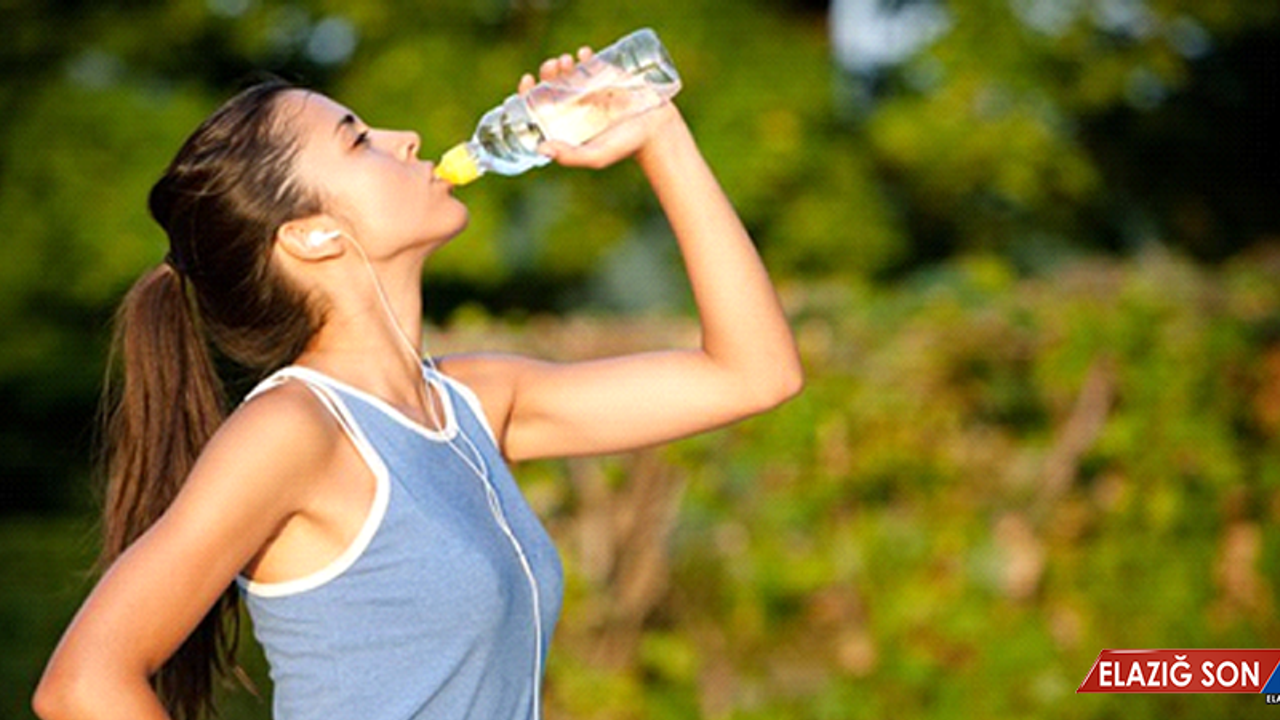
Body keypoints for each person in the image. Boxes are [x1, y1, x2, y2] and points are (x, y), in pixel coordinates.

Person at [33, 45, 802, 720]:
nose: (404, 139)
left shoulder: (473, 404)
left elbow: (753, 373)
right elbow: (81, 685)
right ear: (312, 235)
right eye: (358, 140)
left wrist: (659, 134)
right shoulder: (295, 430)